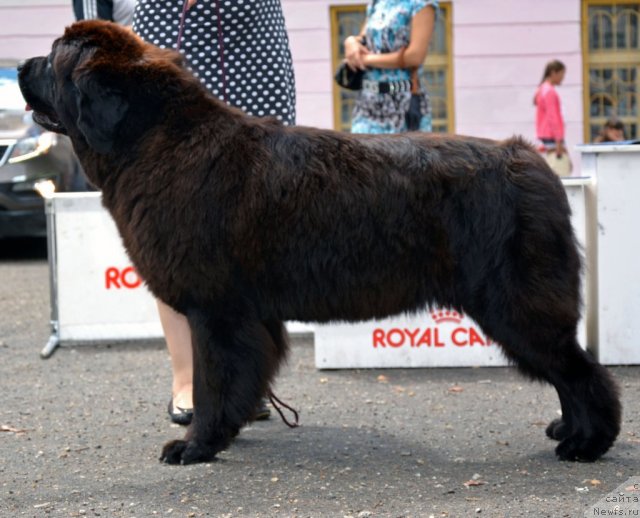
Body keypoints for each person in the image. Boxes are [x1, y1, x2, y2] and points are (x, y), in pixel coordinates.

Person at [132, 0, 296, 425]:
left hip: (251, 35)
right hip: (169, 31)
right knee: (168, 223)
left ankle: (248, 381)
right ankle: (187, 380)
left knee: (259, 220)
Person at [343, 0, 438, 134]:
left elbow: (415, 56)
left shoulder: (421, 4)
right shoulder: (378, 3)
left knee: (404, 154)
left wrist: (366, 60)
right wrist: (351, 41)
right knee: (359, 153)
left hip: (402, 103)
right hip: (367, 103)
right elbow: (364, 39)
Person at [534, 60, 571, 176]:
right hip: (553, 139)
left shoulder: (541, 89)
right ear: (553, 72)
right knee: (562, 174)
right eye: (562, 74)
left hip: (544, 138)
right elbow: (553, 117)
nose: (563, 78)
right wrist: (559, 141)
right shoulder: (549, 91)